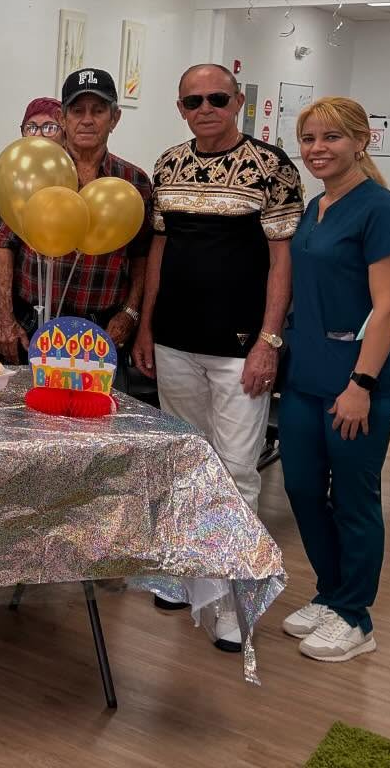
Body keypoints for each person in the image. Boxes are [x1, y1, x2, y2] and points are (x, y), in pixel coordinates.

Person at [131, 62, 303, 652]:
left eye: (217, 98)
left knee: (233, 472)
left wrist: (268, 341)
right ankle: (189, 577)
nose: (205, 108)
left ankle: (233, 599)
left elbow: (282, 262)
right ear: (180, 107)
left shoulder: (272, 167)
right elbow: (160, 249)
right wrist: (147, 328)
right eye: (192, 101)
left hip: (238, 350)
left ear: (237, 103)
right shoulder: (169, 164)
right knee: (187, 466)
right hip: (176, 341)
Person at [278, 97, 390, 663]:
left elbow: (388, 308)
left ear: (362, 141)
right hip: (307, 374)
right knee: (303, 490)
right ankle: (330, 594)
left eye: (331, 138)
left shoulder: (380, 210)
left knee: (353, 500)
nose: (318, 149)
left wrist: (360, 384)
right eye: (309, 139)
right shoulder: (316, 207)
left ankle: (356, 616)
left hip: (358, 381)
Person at [0, 71, 151, 362]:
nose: (87, 119)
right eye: (77, 111)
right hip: (32, 324)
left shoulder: (133, 181)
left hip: (102, 328)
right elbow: (3, 243)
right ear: (63, 118)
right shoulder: (34, 171)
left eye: (98, 110)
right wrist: (4, 319)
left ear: (114, 118)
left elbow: (142, 255)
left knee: (98, 408)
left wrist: (130, 313)